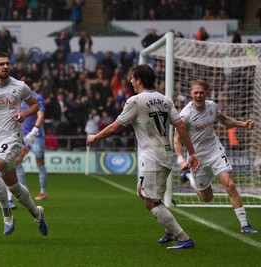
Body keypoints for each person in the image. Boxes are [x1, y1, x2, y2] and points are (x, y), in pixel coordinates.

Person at [86, 64, 199, 249]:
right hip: (165, 154)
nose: (130, 81)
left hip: (152, 156)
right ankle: (170, 229)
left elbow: (116, 126)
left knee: (150, 202)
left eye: (132, 77)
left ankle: (182, 237)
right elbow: (180, 127)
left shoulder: (135, 101)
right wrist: (192, 153)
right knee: (142, 192)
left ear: (139, 80)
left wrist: (96, 136)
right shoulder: (165, 100)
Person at [0, 52, 48, 236]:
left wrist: (24, 114)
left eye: (7, 64)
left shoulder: (19, 86)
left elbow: (34, 105)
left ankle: (7, 215)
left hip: (12, 139)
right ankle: (37, 213)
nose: (5, 67)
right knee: (14, 186)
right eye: (1, 64)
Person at [174, 79, 258, 234]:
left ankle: (245, 225)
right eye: (195, 92)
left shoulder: (212, 106)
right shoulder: (185, 115)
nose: (198, 95)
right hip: (197, 158)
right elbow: (176, 140)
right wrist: (181, 161)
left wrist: (243, 124)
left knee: (230, 185)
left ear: (206, 93)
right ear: (191, 94)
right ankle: (190, 178)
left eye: (201, 92)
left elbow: (225, 121)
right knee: (207, 198)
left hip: (215, 151)